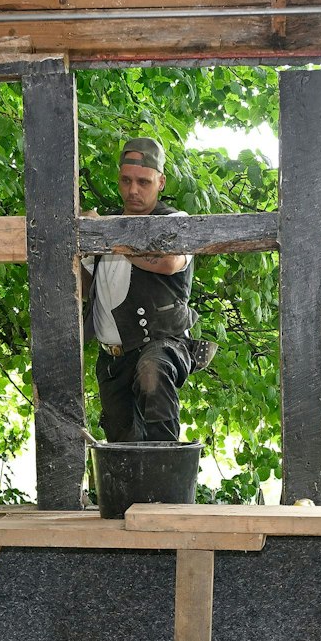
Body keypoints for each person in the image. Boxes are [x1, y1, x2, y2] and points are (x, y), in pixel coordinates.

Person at [82, 136, 213, 442]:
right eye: (126, 181)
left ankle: (167, 466)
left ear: (161, 182)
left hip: (162, 343)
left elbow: (168, 262)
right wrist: (79, 243)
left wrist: (107, 235)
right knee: (122, 451)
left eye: (143, 182)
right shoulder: (107, 224)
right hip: (113, 360)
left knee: (152, 371)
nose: (133, 190)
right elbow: (84, 288)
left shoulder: (175, 221)